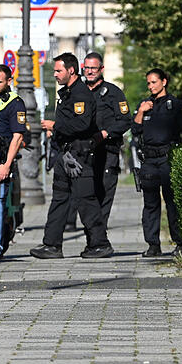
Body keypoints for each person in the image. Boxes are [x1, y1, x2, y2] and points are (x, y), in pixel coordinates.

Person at [31, 53, 113, 259]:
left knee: (86, 200)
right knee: (59, 198)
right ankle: (51, 244)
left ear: (71, 71)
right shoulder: (67, 93)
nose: (55, 74)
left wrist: (56, 126)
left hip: (80, 155)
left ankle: (99, 244)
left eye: (58, 71)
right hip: (66, 154)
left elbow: (82, 124)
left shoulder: (81, 95)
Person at [66, 52, 132, 231]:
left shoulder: (113, 93)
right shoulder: (76, 91)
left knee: (104, 192)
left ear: (101, 69)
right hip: (82, 152)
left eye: (93, 68)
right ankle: (80, 227)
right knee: (81, 191)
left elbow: (126, 120)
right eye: (86, 68)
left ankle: (98, 236)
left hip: (106, 150)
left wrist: (105, 133)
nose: (89, 72)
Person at [131, 68, 182, 257]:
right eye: (148, 83)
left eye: (154, 82)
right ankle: (153, 245)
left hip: (168, 157)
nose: (151, 86)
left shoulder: (175, 105)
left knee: (172, 202)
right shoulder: (144, 105)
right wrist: (141, 112)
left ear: (164, 82)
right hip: (149, 160)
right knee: (150, 203)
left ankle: (180, 244)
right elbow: (135, 130)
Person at [0, 65, 28, 258]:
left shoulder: (15, 103)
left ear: (9, 81)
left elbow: (17, 137)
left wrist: (7, 165)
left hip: (2, 160)